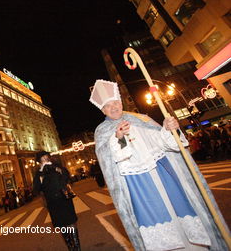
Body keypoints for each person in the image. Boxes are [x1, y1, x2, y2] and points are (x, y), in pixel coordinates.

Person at [90, 79, 229, 250]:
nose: (113, 107)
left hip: (164, 175)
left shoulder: (140, 118)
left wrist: (170, 129)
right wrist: (118, 138)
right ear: (103, 110)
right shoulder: (102, 131)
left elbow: (165, 143)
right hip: (137, 185)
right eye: (107, 106)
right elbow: (106, 160)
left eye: (115, 103)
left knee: (181, 213)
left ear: (121, 102)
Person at [32, 151, 81, 251]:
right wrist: (41, 177)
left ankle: (77, 247)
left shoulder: (57, 166)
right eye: (43, 158)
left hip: (64, 198)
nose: (45, 159)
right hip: (53, 202)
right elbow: (36, 189)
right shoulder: (39, 174)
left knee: (71, 222)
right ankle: (70, 247)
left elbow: (67, 177)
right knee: (62, 225)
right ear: (39, 161)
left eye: (46, 157)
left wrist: (60, 171)